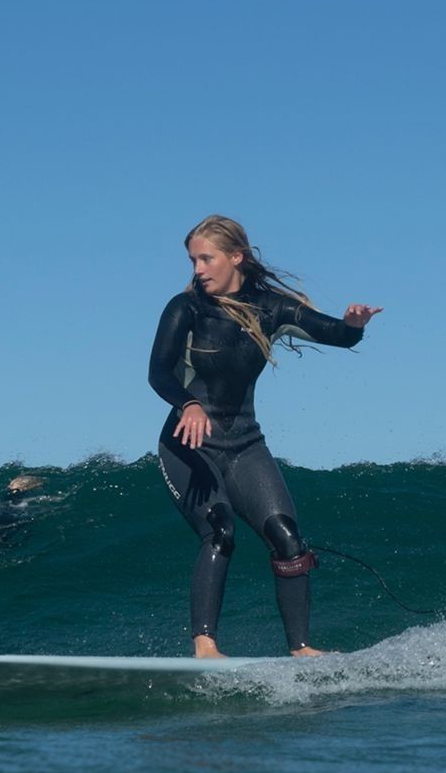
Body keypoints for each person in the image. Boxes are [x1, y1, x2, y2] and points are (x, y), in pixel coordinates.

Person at [148, 215, 382, 658]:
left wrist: (353, 325)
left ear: (235, 257)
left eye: (206, 258)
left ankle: (301, 647)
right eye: (193, 259)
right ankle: (205, 645)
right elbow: (158, 371)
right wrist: (189, 404)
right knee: (220, 530)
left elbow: (336, 334)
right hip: (188, 443)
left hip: (244, 444)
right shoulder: (186, 308)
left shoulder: (271, 308)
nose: (197, 269)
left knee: (288, 538)